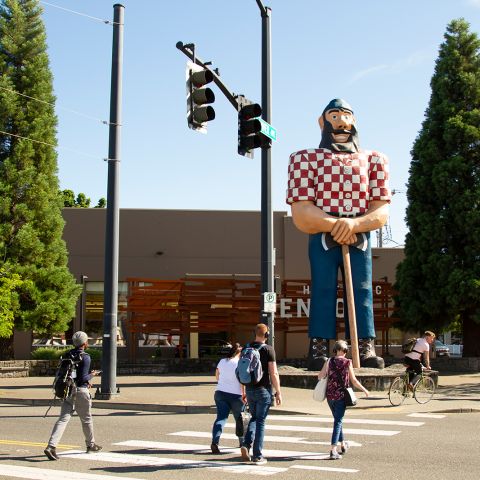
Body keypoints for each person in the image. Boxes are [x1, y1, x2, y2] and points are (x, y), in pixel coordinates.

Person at [286, 98, 392, 370]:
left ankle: (365, 346)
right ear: (322, 123)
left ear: (355, 122)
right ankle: (319, 347)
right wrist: (337, 224)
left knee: (362, 290)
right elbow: (302, 212)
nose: (342, 123)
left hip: (360, 238)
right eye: (334, 116)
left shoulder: (375, 160)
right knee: (322, 288)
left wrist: (355, 225)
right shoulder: (304, 159)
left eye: (346, 116)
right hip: (322, 236)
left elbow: (381, 211)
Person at [44, 331, 102, 460]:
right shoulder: (85, 357)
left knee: (63, 419)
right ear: (85, 343)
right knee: (86, 419)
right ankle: (90, 445)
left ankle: (51, 446)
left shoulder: (67, 355)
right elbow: (82, 378)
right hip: (81, 391)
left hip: (67, 391)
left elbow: (70, 375)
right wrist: (92, 375)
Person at [318, 339, 369, 460]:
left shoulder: (329, 361)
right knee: (338, 422)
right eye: (345, 350)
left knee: (337, 419)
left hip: (330, 396)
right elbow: (354, 381)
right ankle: (333, 449)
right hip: (341, 396)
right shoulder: (347, 362)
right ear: (342, 351)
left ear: (335, 350)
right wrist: (364, 390)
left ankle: (343, 444)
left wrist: (327, 377)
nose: (346, 352)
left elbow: (320, 376)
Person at [240, 323, 282, 465]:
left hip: (250, 389)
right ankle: (257, 455)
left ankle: (246, 444)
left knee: (254, 418)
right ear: (267, 335)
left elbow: (242, 371)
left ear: (255, 333)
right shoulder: (269, 349)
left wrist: (244, 390)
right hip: (263, 390)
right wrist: (278, 392)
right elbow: (274, 373)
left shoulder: (246, 348)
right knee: (261, 422)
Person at [210, 342, 245, 453]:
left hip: (220, 393)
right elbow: (242, 382)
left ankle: (215, 442)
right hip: (236, 395)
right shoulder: (239, 364)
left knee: (221, 418)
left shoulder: (222, 361)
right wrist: (244, 394)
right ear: (239, 353)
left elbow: (217, 376)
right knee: (239, 419)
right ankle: (242, 442)